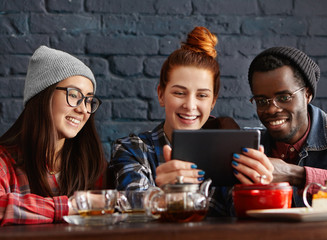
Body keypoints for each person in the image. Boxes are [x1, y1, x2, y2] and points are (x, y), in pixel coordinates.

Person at [110, 26, 235, 216]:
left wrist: (258, 186)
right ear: (161, 95)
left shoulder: (227, 155)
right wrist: (163, 195)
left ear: (212, 102)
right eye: (179, 93)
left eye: (202, 95)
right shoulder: (132, 150)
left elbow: (244, 215)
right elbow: (130, 207)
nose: (190, 105)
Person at [232, 46, 327, 207]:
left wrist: (295, 175)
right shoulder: (253, 149)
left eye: (284, 97)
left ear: (307, 94)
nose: (272, 109)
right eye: (262, 101)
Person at [0, 46, 106, 226]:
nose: (82, 109)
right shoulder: (4, 162)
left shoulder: (93, 166)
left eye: (88, 100)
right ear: (43, 95)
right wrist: (69, 207)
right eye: (74, 95)